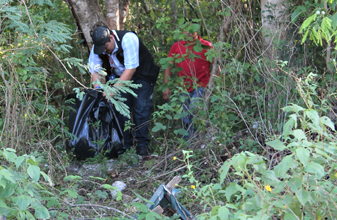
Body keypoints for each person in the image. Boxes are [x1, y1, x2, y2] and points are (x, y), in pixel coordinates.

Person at [88, 25, 159, 156]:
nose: (103, 51)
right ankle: (125, 145)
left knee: (141, 107)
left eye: (105, 47)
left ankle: (142, 145)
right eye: (100, 49)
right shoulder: (98, 47)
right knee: (120, 109)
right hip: (119, 77)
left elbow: (130, 69)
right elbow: (94, 71)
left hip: (142, 75)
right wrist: (98, 89)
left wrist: (112, 90)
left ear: (111, 37)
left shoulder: (128, 39)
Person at [163, 20, 219, 139]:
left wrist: (216, 85)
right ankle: (190, 145)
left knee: (195, 110)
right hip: (183, 88)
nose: (188, 32)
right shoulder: (177, 46)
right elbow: (168, 66)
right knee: (185, 117)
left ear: (197, 30)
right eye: (186, 29)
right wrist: (166, 86)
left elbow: (216, 68)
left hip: (201, 85)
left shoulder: (206, 46)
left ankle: (200, 139)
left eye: (191, 29)